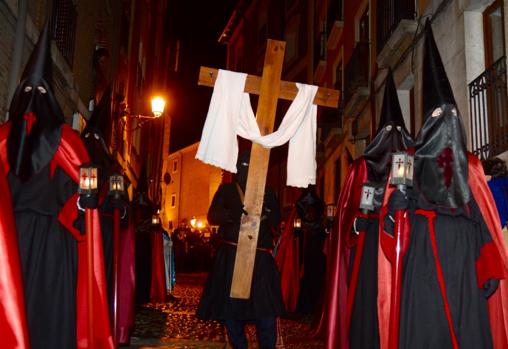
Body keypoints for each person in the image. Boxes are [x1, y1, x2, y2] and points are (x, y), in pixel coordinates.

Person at [381, 20, 508, 348]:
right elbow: (394, 226)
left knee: (468, 331)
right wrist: (396, 210)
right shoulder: (409, 160)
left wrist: (489, 267)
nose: (444, 122)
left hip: (464, 261)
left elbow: (482, 218)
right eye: (436, 117)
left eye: (449, 115)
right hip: (423, 258)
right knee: (428, 329)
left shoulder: (471, 163)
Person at [0, 22, 113, 348]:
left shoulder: (67, 141)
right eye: (27, 93)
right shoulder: (5, 136)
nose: (33, 106)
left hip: (53, 242)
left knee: (48, 317)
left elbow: (78, 191)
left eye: (40, 94)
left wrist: (84, 202)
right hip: (10, 240)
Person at [313, 68, 413, 349]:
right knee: (370, 305)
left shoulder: (411, 163)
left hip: (403, 246)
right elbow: (348, 215)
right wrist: (359, 222)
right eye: (388, 132)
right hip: (369, 248)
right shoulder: (362, 168)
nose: (393, 139)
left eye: (398, 132)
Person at [197, 151, 284, 349]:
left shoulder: (267, 191)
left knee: (266, 311)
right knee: (232, 310)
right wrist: (232, 214)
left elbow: (277, 221)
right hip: (232, 257)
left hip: (260, 259)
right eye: (242, 167)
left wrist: (267, 211)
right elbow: (212, 216)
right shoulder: (226, 190)